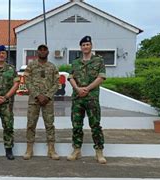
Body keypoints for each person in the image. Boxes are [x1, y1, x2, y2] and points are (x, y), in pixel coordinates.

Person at [67, 36, 107, 164]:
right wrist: (78, 89)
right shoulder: (75, 62)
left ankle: (99, 151)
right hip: (78, 98)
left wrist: (87, 89)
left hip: (91, 98)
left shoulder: (98, 61)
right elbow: (71, 77)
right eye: (83, 45)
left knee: (95, 125)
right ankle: (77, 150)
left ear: (91, 46)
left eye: (87, 44)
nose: (85, 47)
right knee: (76, 125)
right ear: (81, 47)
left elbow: (101, 77)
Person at [23, 44, 60, 160]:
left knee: (49, 125)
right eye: (40, 50)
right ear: (37, 52)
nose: (43, 52)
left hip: (48, 101)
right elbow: (27, 81)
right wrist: (37, 95)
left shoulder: (52, 67)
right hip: (34, 100)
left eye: (45, 50)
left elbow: (57, 83)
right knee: (31, 125)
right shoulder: (31, 66)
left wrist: (47, 96)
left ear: (48, 52)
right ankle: (29, 149)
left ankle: (51, 149)